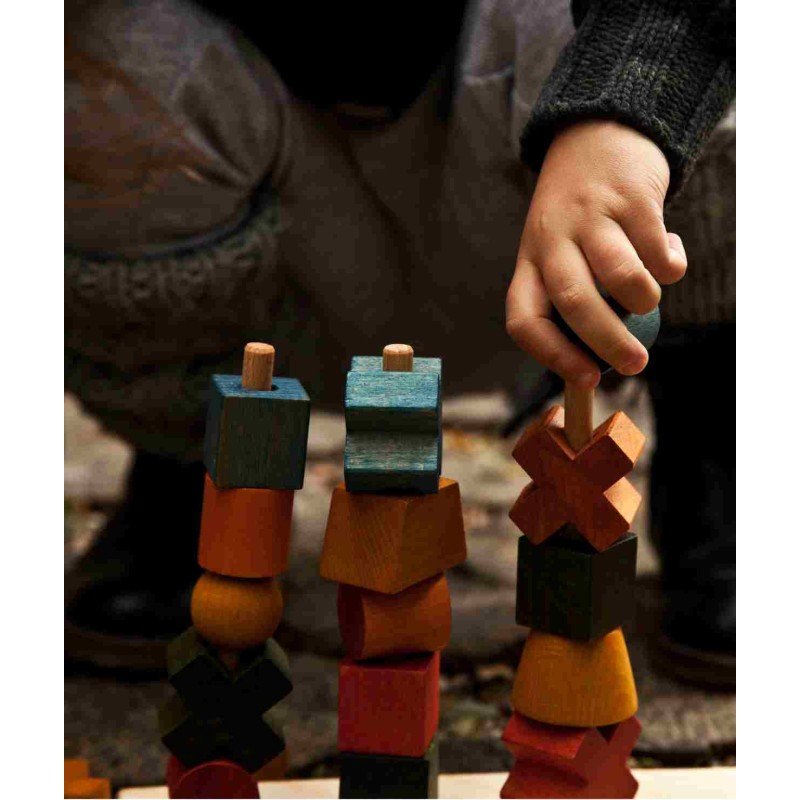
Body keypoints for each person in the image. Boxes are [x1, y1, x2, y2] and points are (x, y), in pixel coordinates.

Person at [65, 0, 735, 682]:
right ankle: (191, 461)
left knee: (715, 52)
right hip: (257, 229)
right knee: (99, 64)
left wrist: (627, 111)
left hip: (548, 186)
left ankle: (715, 463)